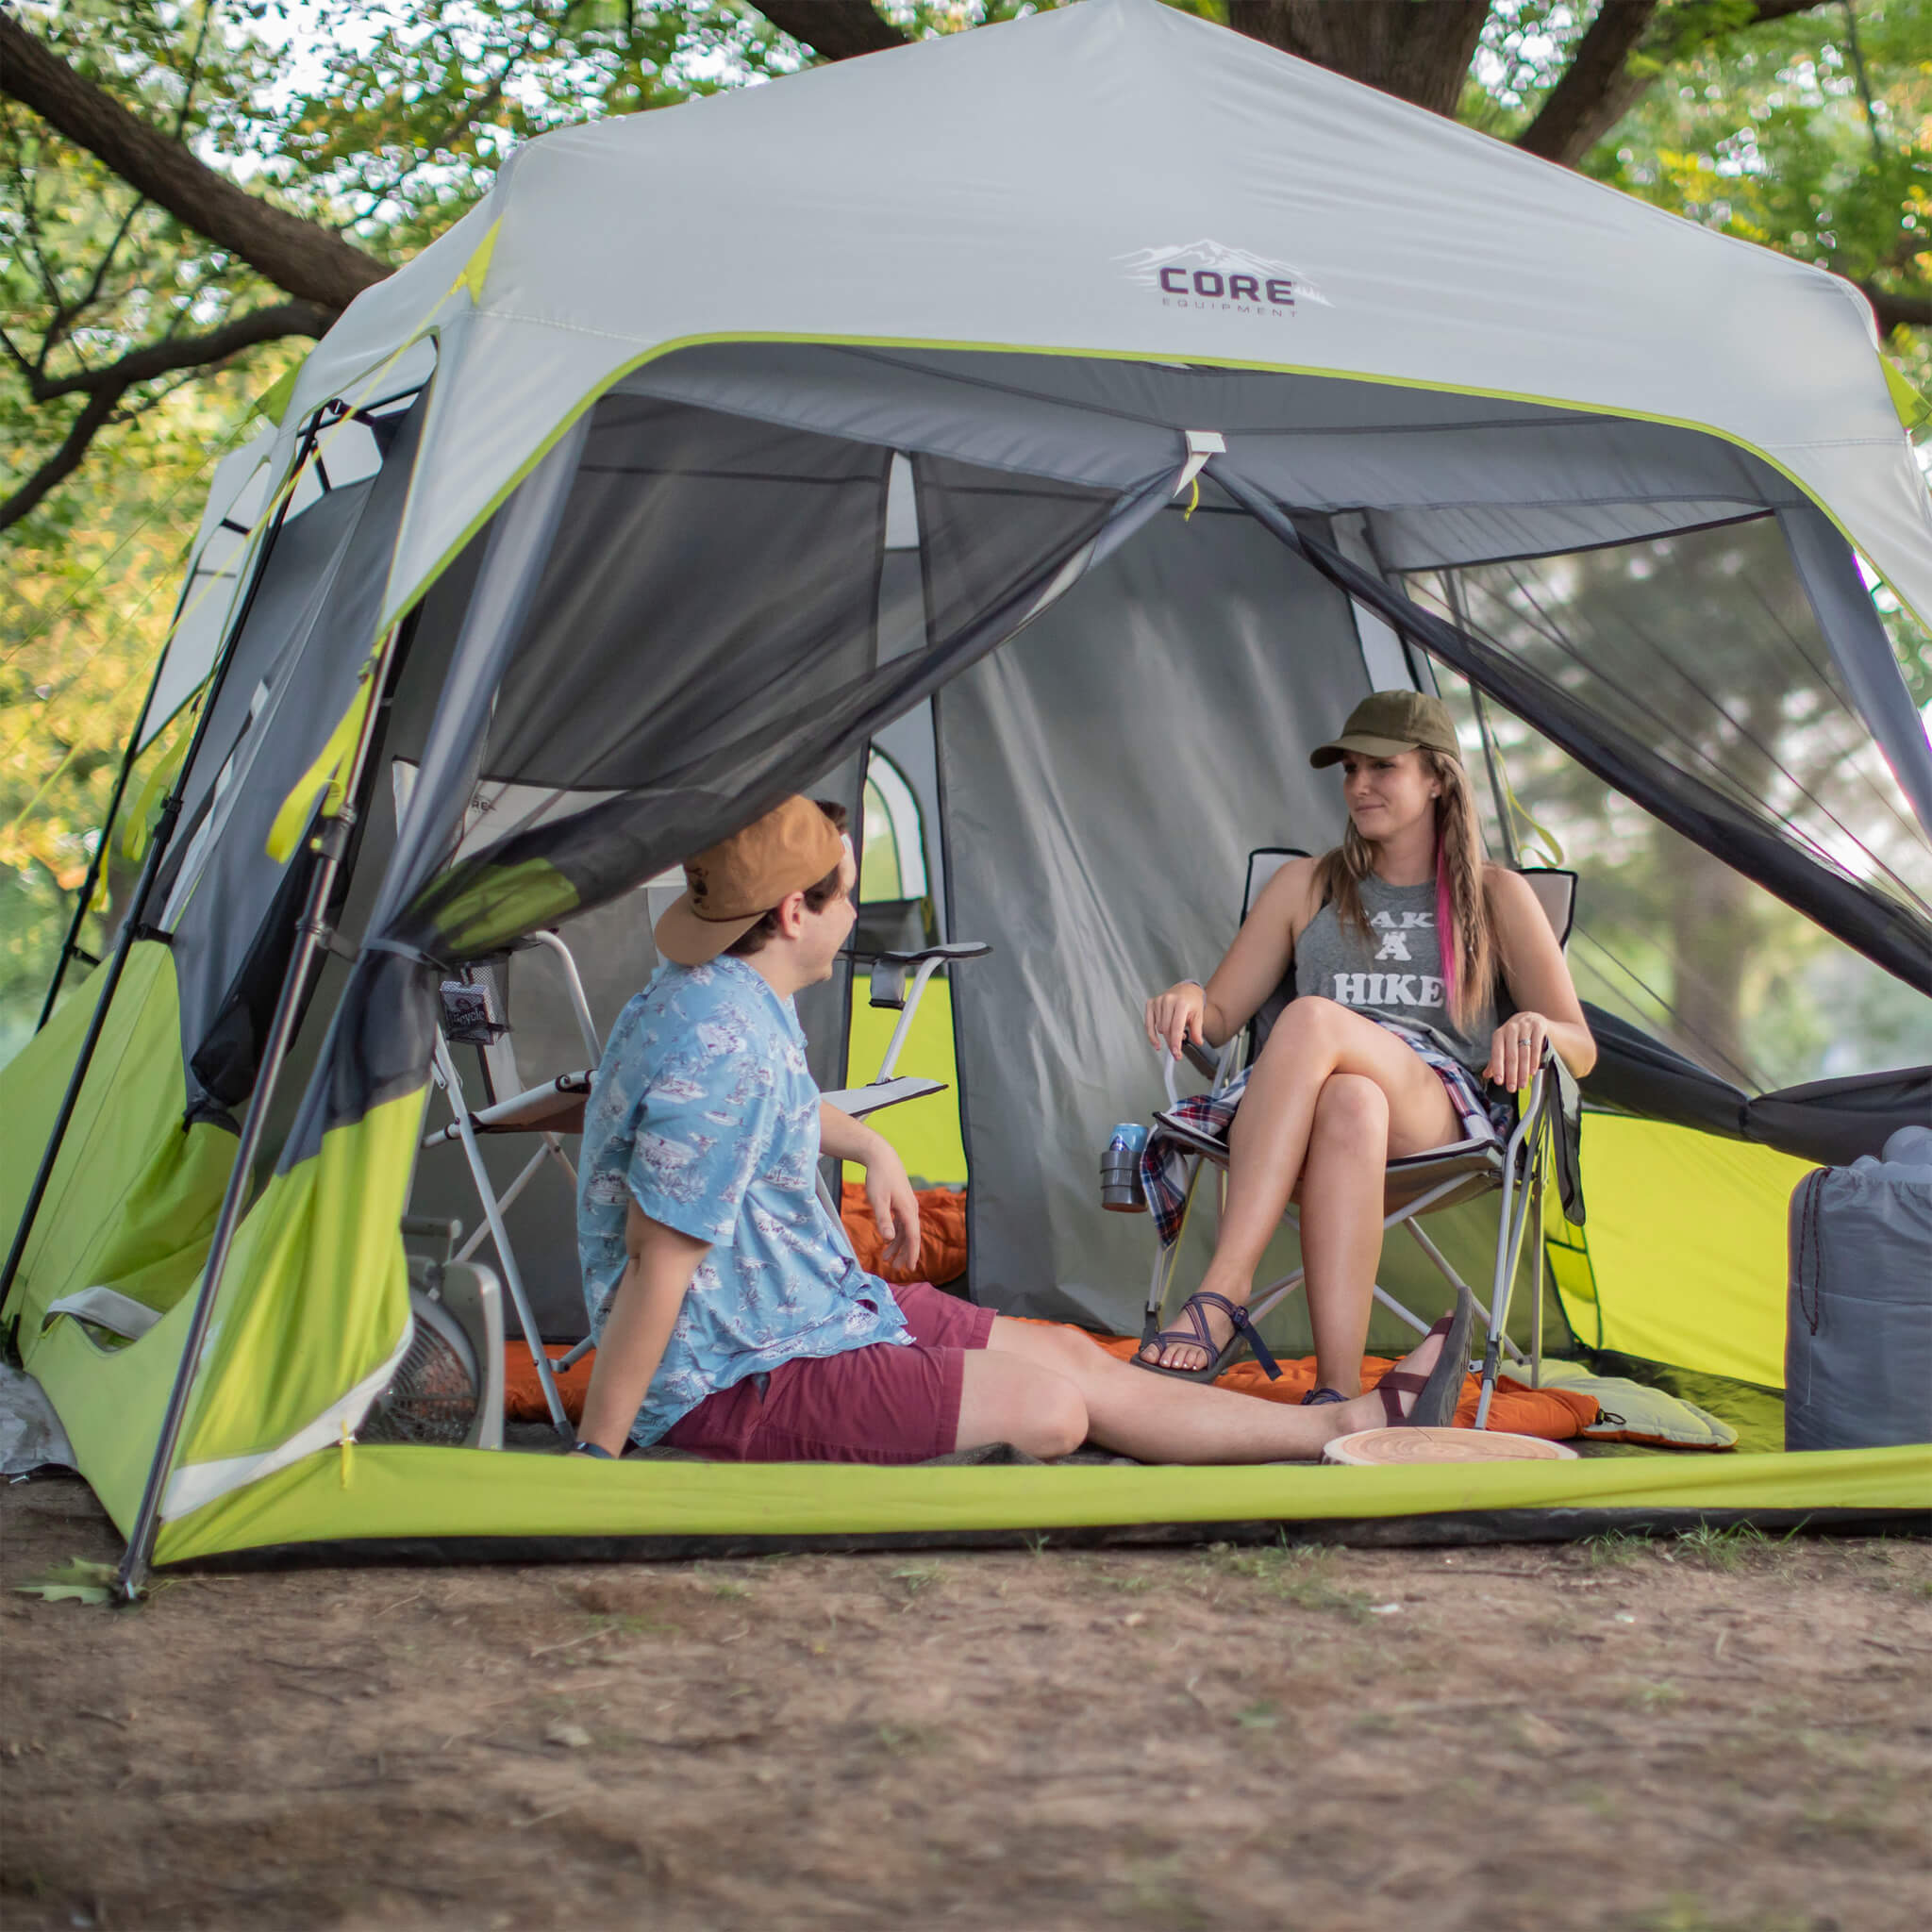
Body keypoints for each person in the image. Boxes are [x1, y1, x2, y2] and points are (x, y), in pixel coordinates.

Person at [570, 792, 1471, 1466]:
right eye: (847, 892)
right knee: (1053, 1410)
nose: (855, 912)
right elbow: (660, 1259)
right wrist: (597, 1462)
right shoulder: (723, 1045)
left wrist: (872, 1145)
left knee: (1074, 1354)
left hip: (814, 1310)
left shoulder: (725, 998)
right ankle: (1337, 1428)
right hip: (736, 1381)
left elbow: (779, 1112)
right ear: (794, 912)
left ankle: (1347, 1426)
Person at [1137, 690, 1596, 1394]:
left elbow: (1581, 1047)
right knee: (1350, 1098)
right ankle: (1337, 1393)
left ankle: (1221, 1294)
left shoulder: (1497, 895)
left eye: (1382, 767)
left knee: (1313, 1019)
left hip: (1439, 1111)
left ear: (1437, 777)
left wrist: (1538, 1026)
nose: (1358, 785)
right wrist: (1193, 995)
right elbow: (1222, 1016)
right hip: (1310, 1113)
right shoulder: (1306, 886)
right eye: (1350, 769)